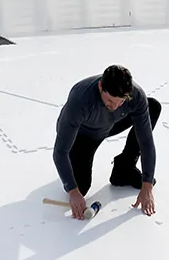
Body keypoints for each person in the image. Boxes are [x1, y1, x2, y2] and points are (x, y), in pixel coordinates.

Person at [53, 65, 160, 220]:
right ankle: (76, 165)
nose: (115, 106)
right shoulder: (80, 100)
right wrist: (72, 191)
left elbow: (146, 142)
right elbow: (59, 151)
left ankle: (124, 168)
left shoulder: (134, 96)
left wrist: (147, 185)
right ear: (100, 86)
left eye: (121, 101)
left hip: (111, 124)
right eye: (110, 100)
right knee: (80, 187)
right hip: (83, 135)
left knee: (152, 107)